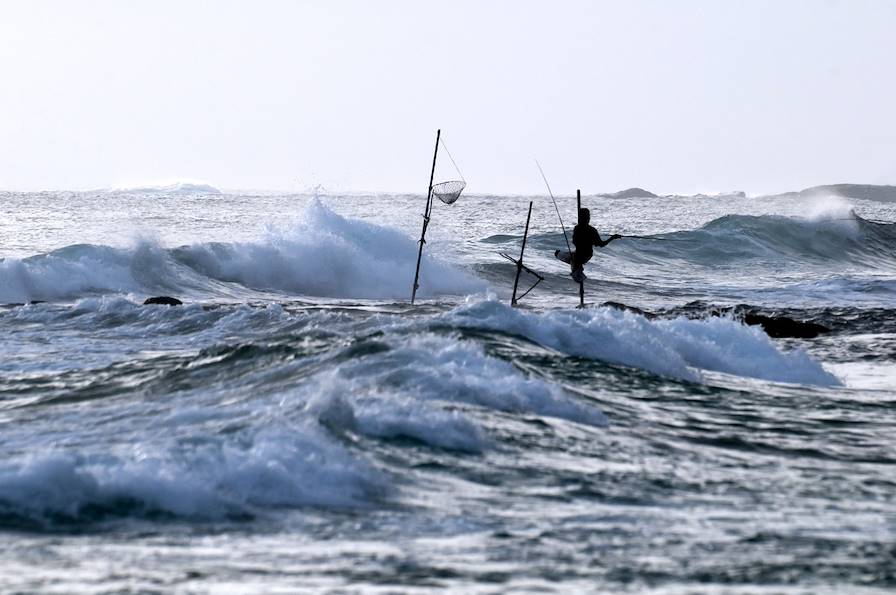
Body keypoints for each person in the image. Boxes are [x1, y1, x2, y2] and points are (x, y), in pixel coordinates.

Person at [556, 208, 621, 283]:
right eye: (587, 217)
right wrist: (612, 238)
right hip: (581, 255)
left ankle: (577, 269)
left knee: (570, 259)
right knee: (559, 254)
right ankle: (576, 267)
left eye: (588, 217)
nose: (588, 218)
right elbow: (601, 244)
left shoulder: (578, 228)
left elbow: (574, 242)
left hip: (582, 256)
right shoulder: (591, 230)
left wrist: (612, 237)